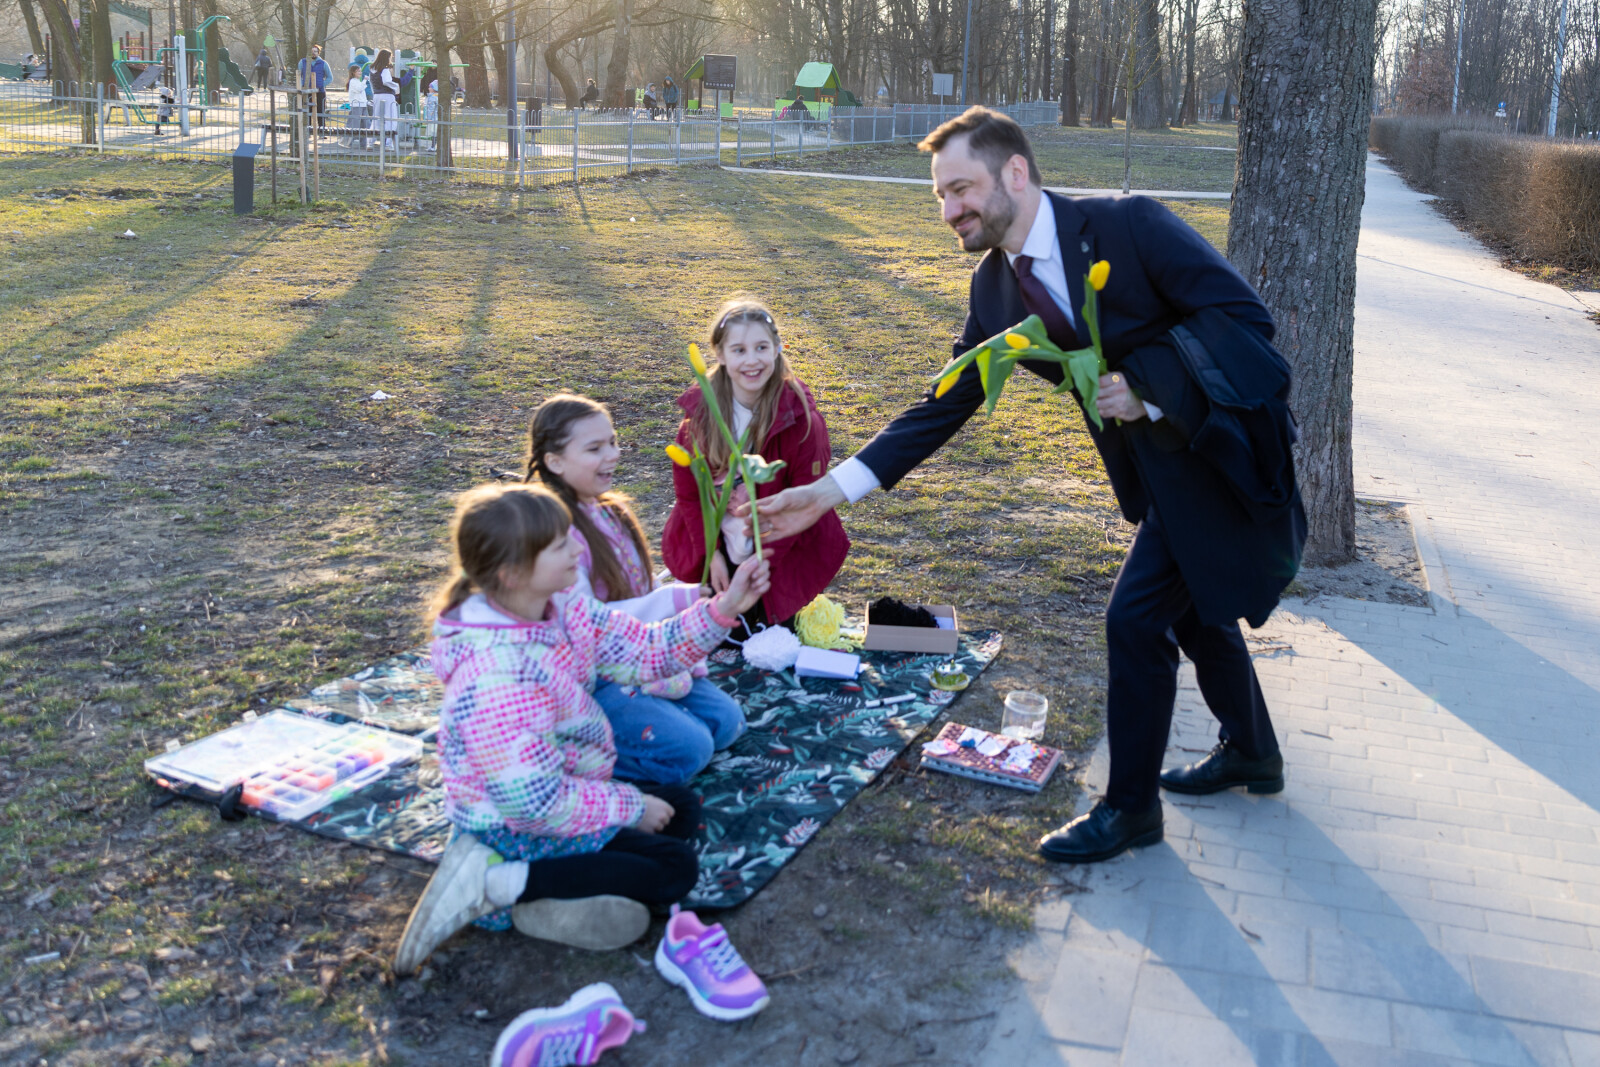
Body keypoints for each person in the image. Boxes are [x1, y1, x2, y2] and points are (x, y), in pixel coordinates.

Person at [749, 107, 1305, 865]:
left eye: (961, 188)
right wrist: (827, 491)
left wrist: (1148, 387)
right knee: (1198, 612)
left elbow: (1243, 315)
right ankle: (1253, 751)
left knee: (1135, 621)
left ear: (1015, 172)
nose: (950, 210)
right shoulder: (996, 293)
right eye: (941, 196)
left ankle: (1131, 809)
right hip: (1155, 481)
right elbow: (945, 400)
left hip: (1216, 458)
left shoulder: (1129, 226)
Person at [393, 482, 773, 981]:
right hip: (514, 829)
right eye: (560, 545)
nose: (579, 548)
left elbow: (645, 651)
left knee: (680, 808)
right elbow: (532, 805)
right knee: (675, 867)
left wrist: (725, 609)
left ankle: (549, 900)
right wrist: (630, 806)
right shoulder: (497, 675)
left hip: (564, 789)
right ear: (512, 573)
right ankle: (495, 885)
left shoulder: (560, 601)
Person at [526, 394, 746, 785]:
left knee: (727, 724)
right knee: (692, 751)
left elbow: (636, 587)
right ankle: (571, 755)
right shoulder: (552, 536)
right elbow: (586, 625)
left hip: (637, 656)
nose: (612, 455)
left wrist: (678, 602)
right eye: (594, 448)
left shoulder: (609, 511)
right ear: (554, 461)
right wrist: (676, 598)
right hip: (591, 677)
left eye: (612, 441)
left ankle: (641, 716)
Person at [664, 298, 850, 636]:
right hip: (716, 551)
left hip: (780, 557)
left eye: (761, 347)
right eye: (739, 350)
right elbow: (689, 497)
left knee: (775, 643)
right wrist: (711, 557)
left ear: (777, 348)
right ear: (720, 355)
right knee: (709, 643)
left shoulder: (803, 422)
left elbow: (802, 503)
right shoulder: (700, 419)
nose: (752, 360)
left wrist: (760, 565)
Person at [369, 48, 400, 153]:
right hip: (387, 95)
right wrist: (396, 86)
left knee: (376, 118)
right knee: (390, 118)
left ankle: (370, 142)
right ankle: (388, 143)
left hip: (377, 95)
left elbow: (371, 82)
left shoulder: (372, 68)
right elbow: (386, 81)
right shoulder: (385, 69)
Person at [297, 45, 332, 132]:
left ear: (318, 52)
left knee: (320, 111)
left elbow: (330, 78)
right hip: (306, 91)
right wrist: (303, 84)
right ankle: (307, 130)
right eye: (312, 51)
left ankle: (322, 130)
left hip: (319, 91)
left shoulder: (323, 63)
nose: (313, 53)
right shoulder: (303, 62)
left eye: (315, 51)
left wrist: (321, 84)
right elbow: (298, 75)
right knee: (307, 111)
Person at [342, 64, 370, 149]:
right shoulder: (353, 81)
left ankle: (364, 143)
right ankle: (348, 142)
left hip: (362, 105)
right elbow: (359, 89)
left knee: (365, 124)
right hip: (356, 105)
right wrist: (365, 80)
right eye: (358, 71)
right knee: (354, 124)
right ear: (353, 72)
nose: (360, 72)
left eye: (360, 71)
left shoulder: (357, 81)